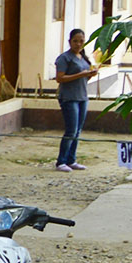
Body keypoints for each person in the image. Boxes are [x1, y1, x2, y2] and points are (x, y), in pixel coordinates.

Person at [54, 28, 104, 170]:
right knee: (71, 130)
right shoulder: (64, 58)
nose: (78, 44)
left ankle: (71, 159)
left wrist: (90, 74)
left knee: (78, 130)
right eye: (75, 41)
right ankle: (61, 161)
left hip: (82, 96)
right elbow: (60, 78)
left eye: (81, 41)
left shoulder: (83, 58)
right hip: (69, 98)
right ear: (70, 42)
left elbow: (84, 77)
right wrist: (81, 75)